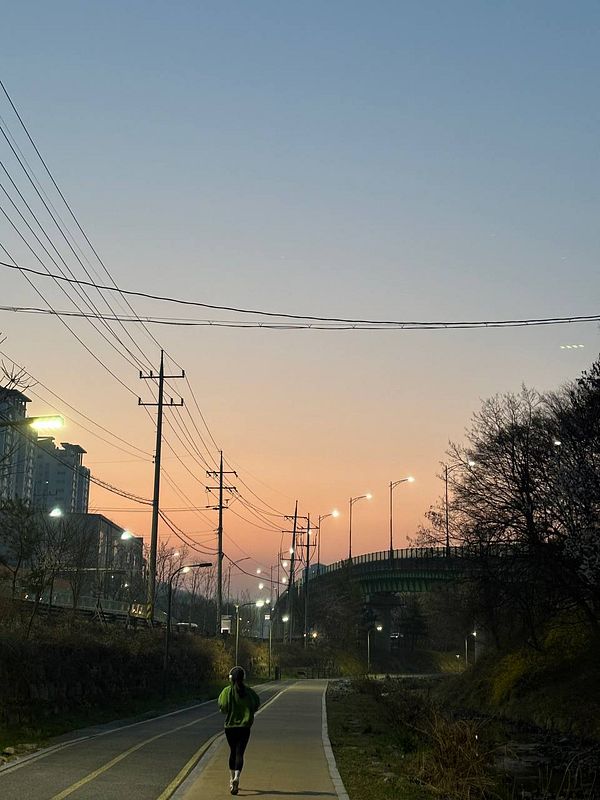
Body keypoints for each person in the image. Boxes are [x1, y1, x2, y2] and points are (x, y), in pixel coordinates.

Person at [218, 665, 260, 795]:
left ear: (231, 678)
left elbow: (223, 707)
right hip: (244, 727)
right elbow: (256, 704)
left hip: (230, 727)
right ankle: (237, 777)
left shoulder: (226, 691)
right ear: (244, 678)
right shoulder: (249, 692)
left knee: (232, 751)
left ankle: (231, 780)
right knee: (240, 753)